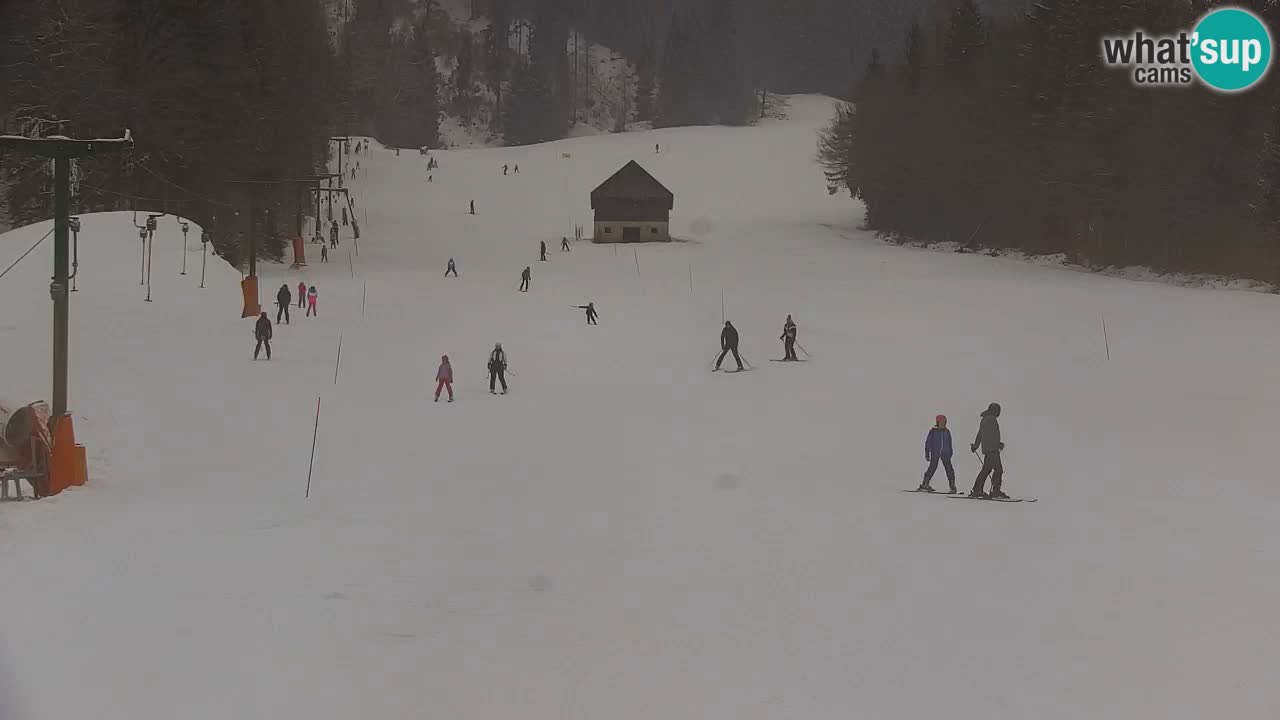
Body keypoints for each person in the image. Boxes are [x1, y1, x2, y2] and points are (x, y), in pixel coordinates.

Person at [970, 403, 1007, 499]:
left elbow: (980, 435)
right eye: (998, 411)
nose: (999, 413)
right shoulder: (991, 419)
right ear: (994, 411)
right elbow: (992, 435)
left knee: (986, 469)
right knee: (998, 469)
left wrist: (975, 445)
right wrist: (997, 444)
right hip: (992, 450)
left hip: (988, 449)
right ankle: (995, 491)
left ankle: (977, 489)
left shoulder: (985, 419)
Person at [919, 415, 957, 494]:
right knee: (932, 467)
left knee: (949, 468)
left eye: (944, 423)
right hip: (935, 452)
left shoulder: (947, 432)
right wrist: (927, 452)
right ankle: (925, 483)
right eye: (941, 423)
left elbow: (949, 442)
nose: (942, 424)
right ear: (937, 423)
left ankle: (952, 485)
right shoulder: (933, 431)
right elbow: (928, 442)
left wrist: (950, 451)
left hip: (945, 453)